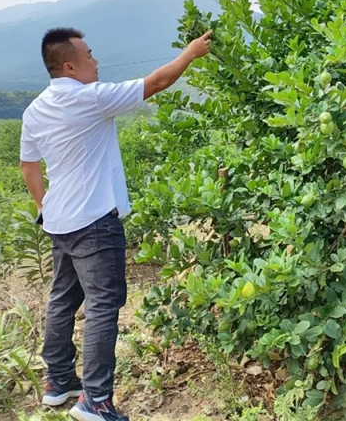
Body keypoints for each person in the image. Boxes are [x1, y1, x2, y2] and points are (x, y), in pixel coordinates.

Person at [19, 27, 212, 421]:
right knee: (104, 306)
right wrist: (191, 53)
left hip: (60, 220)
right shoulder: (91, 99)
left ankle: (58, 382)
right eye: (90, 55)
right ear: (70, 65)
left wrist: (44, 207)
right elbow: (157, 81)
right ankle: (96, 401)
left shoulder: (34, 110)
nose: (97, 61)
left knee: (63, 299)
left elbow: (28, 166)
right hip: (93, 220)